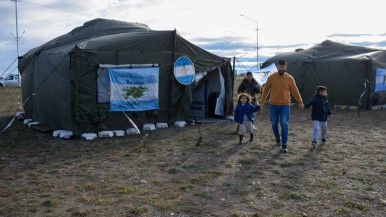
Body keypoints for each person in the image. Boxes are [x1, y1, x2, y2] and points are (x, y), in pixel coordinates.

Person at [259, 60, 304, 153]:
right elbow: (266, 90)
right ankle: (277, 139)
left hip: (285, 105)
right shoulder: (271, 77)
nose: (281, 69)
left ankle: (284, 145)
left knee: (284, 124)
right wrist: (262, 101)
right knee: (274, 124)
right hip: (273, 105)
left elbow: (295, 91)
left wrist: (300, 102)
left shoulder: (289, 78)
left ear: (285, 67)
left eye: (283, 67)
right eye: (279, 67)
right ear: (277, 67)